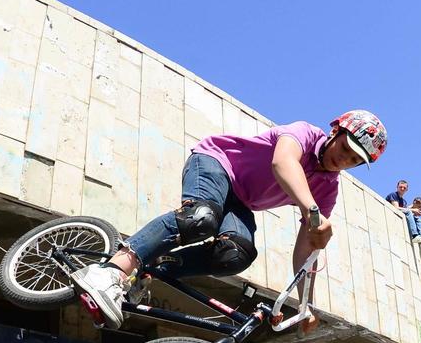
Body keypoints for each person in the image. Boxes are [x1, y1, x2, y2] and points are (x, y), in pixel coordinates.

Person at [72, 110, 388, 329]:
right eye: (345, 149)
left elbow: (307, 249)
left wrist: (306, 303)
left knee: (237, 254)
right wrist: (311, 211)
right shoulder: (305, 134)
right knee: (201, 219)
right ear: (335, 132)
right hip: (216, 163)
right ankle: (111, 270)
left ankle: (150, 271)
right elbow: (282, 162)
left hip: (240, 202)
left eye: (353, 161)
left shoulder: (328, 189)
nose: (342, 161)